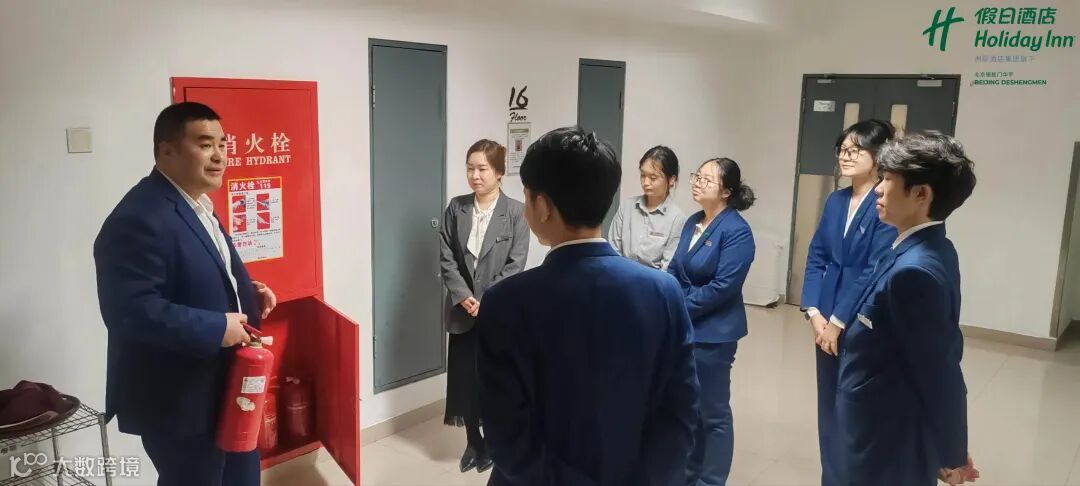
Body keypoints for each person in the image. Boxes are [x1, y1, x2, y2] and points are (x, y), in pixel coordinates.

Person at [476, 127, 700, 486]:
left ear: (542, 206)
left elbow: (507, 437)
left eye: (527, 197)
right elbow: (679, 416)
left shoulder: (507, 302)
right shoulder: (663, 293)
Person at [94, 102, 277, 486]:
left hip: (226, 388)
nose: (219, 156)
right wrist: (217, 327)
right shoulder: (139, 217)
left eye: (223, 145)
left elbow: (198, 269)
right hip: (180, 400)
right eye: (205, 145)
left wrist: (246, 292)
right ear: (167, 151)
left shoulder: (195, 204)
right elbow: (130, 311)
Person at [836, 131, 978, 485]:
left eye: (887, 179)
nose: (878, 189)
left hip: (888, 439)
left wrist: (951, 452)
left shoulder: (915, 271)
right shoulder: (918, 245)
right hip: (873, 425)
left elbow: (938, 371)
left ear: (921, 194)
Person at [799, 119, 898, 486]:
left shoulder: (885, 203)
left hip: (858, 320)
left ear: (878, 156)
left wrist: (838, 321)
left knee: (855, 409)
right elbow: (817, 255)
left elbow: (874, 268)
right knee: (828, 408)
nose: (845, 157)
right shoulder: (836, 200)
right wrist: (814, 311)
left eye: (855, 151)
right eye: (842, 150)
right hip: (824, 318)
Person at [438, 139, 530, 473]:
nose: (474, 175)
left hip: (497, 311)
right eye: (470, 168)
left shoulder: (516, 212)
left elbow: (516, 264)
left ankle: (492, 443)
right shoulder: (456, 208)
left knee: (493, 380)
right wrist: (463, 295)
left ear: (500, 172)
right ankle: (472, 442)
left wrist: (486, 299)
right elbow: (446, 256)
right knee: (465, 381)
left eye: (482, 169)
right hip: (462, 310)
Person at [668, 157, 756, 486]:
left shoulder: (737, 231)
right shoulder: (693, 221)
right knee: (690, 409)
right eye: (697, 176)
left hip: (714, 334)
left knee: (713, 413)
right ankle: (690, 475)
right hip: (686, 326)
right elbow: (675, 270)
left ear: (726, 191)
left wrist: (680, 306)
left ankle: (711, 480)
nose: (697, 183)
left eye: (706, 179)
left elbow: (723, 287)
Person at [609, 145, 687, 270]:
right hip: (620, 277)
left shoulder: (677, 218)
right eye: (642, 175)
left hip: (654, 281)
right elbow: (613, 252)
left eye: (653, 178)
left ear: (671, 179)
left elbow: (667, 268)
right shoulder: (626, 207)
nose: (645, 182)